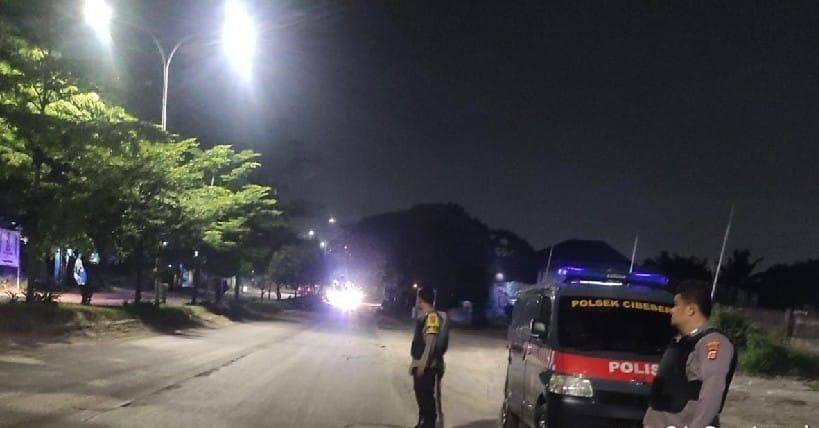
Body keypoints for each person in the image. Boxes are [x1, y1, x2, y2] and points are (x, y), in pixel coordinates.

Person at [644, 280, 737, 428]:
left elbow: (712, 393)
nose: (671, 310)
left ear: (690, 310)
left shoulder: (712, 343)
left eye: (676, 305)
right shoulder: (679, 342)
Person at [409, 287, 449, 428]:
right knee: (421, 395)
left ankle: (429, 424)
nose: (416, 301)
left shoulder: (432, 318)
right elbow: (420, 343)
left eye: (418, 298)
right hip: (422, 363)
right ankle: (423, 422)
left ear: (421, 299)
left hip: (429, 366)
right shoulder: (425, 317)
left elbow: (430, 342)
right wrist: (414, 363)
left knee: (427, 397)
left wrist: (423, 363)